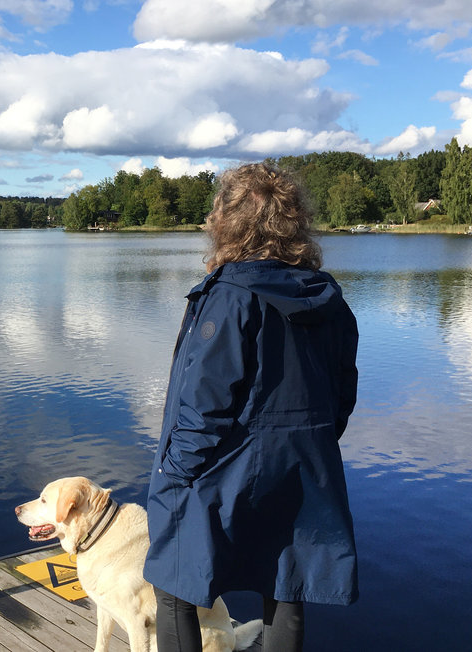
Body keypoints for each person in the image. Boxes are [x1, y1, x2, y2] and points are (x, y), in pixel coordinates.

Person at [143, 163, 359, 652]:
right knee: (286, 584)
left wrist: (173, 473)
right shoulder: (328, 297)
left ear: (225, 221)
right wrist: (311, 448)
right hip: (303, 467)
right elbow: (343, 391)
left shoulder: (229, 296)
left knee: (173, 581)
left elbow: (204, 402)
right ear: (294, 221)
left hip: (221, 467)